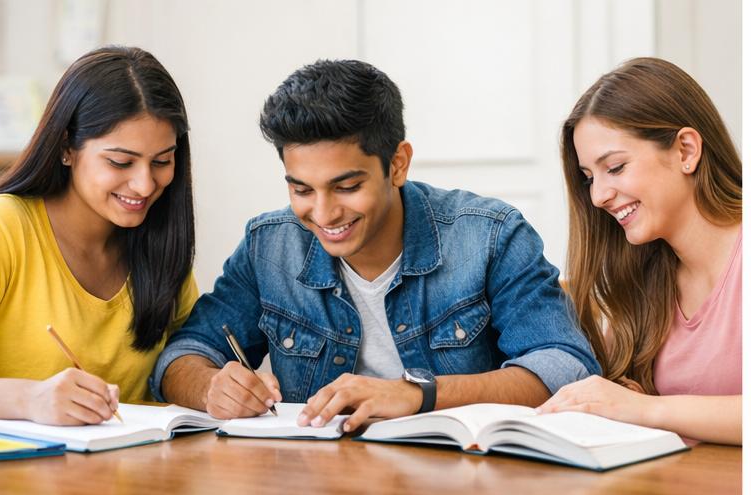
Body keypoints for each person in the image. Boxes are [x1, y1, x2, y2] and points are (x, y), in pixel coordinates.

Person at [151, 59, 599, 433]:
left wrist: (419, 395)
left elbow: (565, 366)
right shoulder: (269, 246)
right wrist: (212, 387)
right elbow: (182, 356)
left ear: (398, 164)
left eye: (346, 186)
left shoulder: (490, 236)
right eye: (302, 190)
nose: (324, 215)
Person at [0, 46, 198, 426]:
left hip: (129, 475)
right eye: (120, 162)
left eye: (162, 161)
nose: (145, 184)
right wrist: (29, 399)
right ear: (67, 147)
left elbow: (188, 358)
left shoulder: (161, 245)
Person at [538, 58, 741, 445]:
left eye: (614, 167)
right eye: (589, 178)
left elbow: (629, 406)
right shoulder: (647, 280)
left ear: (686, 150)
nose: (597, 196)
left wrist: (644, 409)